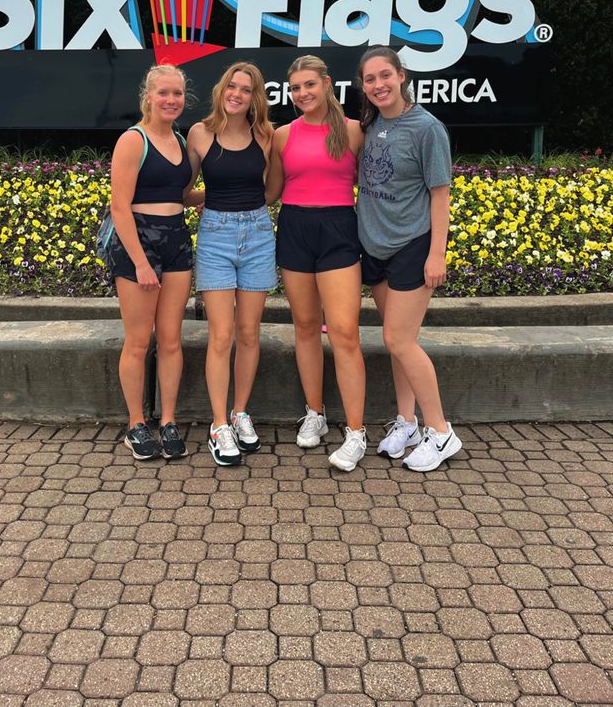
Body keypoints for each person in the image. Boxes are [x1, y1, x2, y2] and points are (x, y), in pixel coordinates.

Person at [356, 45, 462, 472]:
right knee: (398, 341)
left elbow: (441, 196)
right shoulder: (373, 123)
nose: (379, 85)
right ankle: (408, 422)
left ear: (401, 76)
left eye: (385, 75)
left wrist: (437, 254)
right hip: (374, 247)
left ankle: (441, 431)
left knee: (398, 340)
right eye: (370, 79)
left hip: (412, 247)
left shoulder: (427, 128)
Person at [267, 54, 367, 472]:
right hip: (294, 229)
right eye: (295, 88)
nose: (302, 93)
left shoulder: (355, 132)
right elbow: (269, 193)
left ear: (327, 84)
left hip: (339, 229)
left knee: (344, 332)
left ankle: (357, 432)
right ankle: (315, 413)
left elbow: (375, 184)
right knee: (306, 327)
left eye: (309, 84)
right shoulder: (281, 136)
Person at [187, 63, 276, 466]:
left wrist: (248, 210)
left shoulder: (266, 135)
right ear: (222, 89)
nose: (236, 94)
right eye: (231, 86)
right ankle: (218, 424)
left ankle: (241, 412)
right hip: (215, 237)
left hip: (258, 234)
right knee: (221, 336)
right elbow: (185, 189)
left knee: (249, 333)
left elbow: (272, 190)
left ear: (255, 96)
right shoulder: (200, 133)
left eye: (246, 89)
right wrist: (212, 204)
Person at [107, 64, 193, 461]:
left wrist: (229, 196)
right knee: (140, 341)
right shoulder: (133, 140)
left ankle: (169, 421)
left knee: (172, 339)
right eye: (163, 93)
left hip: (176, 240)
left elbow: (177, 195)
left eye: (177, 93)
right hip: (138, 244)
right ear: (148, 96)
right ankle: (136, 424)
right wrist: (141, 263)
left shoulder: (180, 139)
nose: (171, 100)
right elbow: (120, 207)